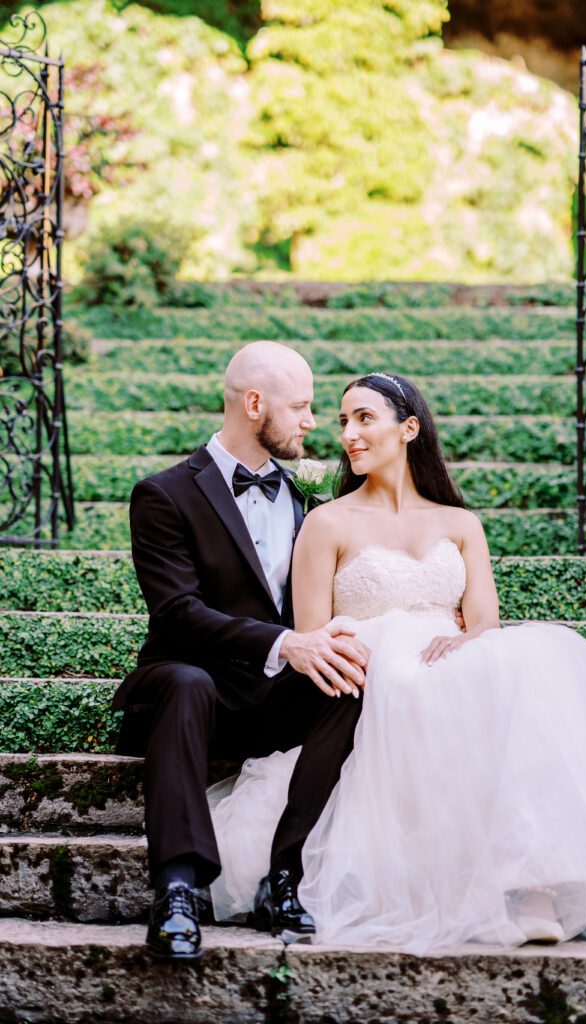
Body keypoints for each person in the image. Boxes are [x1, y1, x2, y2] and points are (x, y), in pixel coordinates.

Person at [207, 372, 586, 953]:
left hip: (448, 664)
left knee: (534, 660)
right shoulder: (327, 522)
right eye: (342, 422)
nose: (349, 434)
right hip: (363, 676)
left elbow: (483, 621)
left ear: (409, 429)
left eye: (363, 418)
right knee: (405, 676)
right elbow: (312, 637)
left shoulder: (460, 525)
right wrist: (387, 654)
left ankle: (531, 885)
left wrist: (464, 642)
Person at [111, 342, 373, 961]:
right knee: (187, 682)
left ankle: (286, 877)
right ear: (255, 404)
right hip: (187, 684)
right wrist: (286, 642)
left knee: (352, 677)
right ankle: (176, 887)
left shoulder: (307, 501)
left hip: (268, 696)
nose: (313, 422)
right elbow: (178, 614)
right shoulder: (164, 494)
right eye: (302, 406)